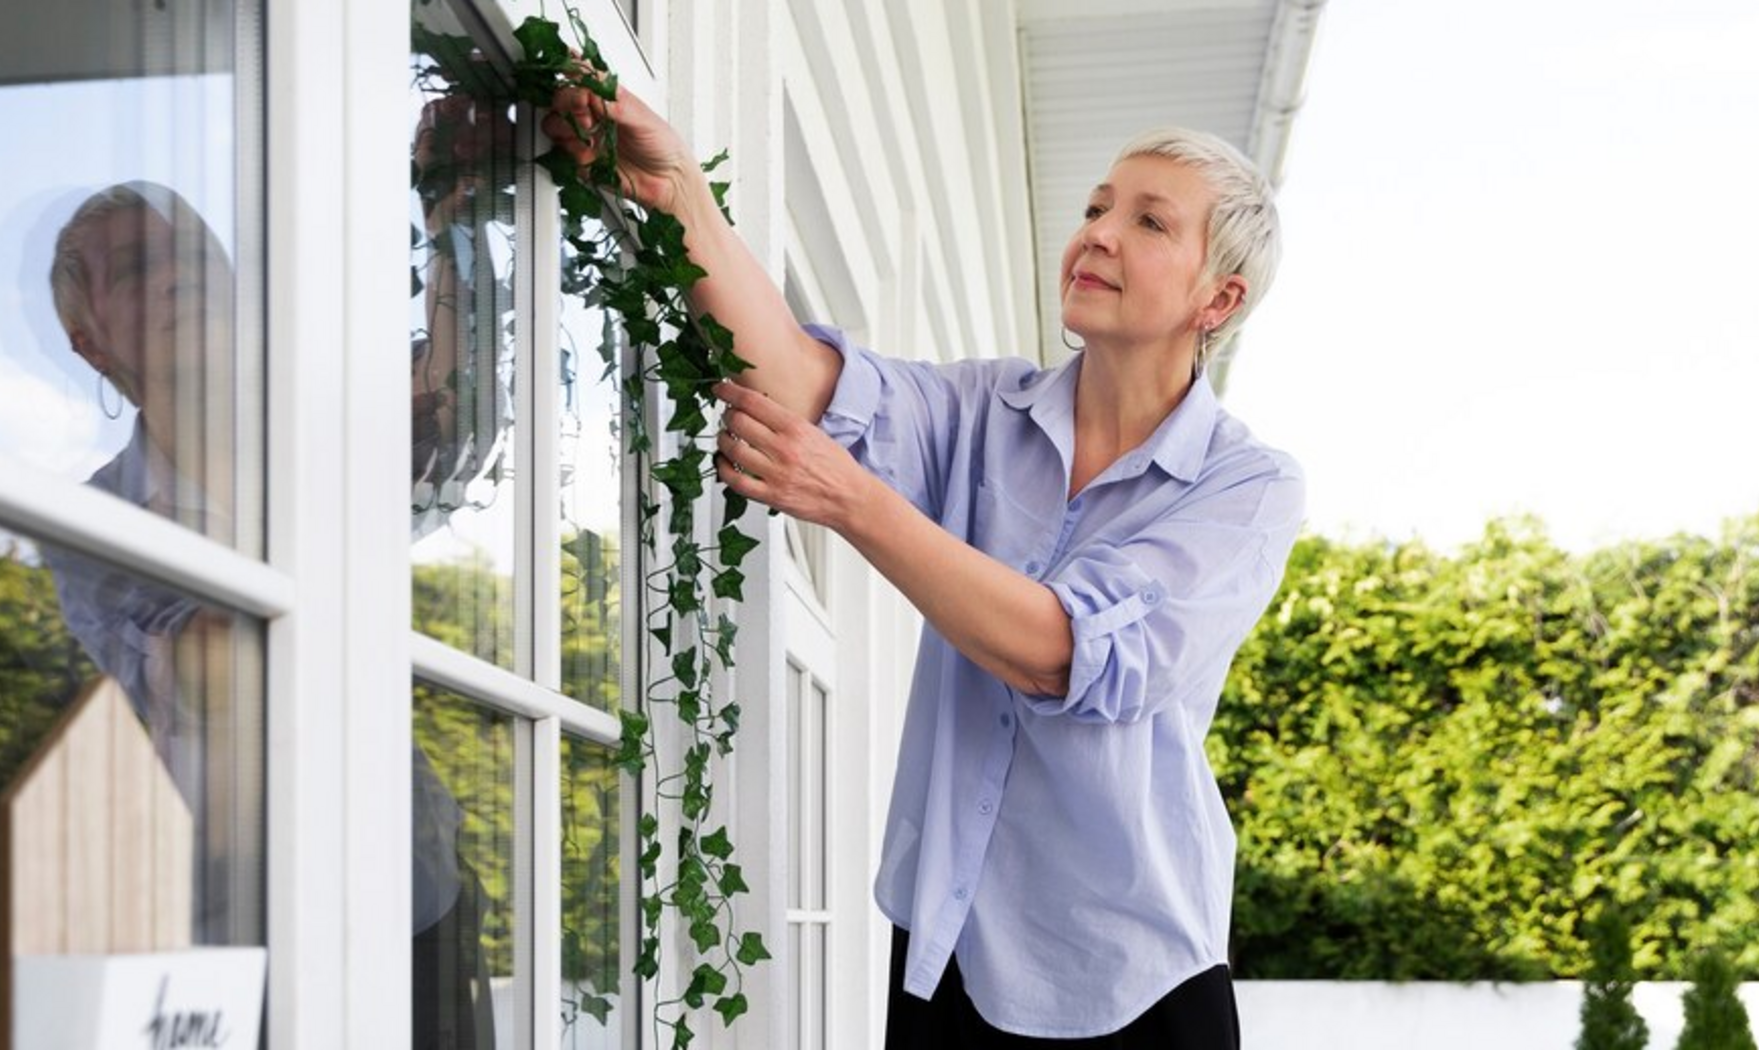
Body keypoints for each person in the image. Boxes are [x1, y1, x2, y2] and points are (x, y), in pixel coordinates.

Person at [544, 84, 1304, 1048]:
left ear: (1219, 298)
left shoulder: (1243, 487)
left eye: (1148, 221)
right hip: (944, 950)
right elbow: (799, 380)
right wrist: (680, 190)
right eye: (1096, 207)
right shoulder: (984, 409)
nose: (1100, 233)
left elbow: (1064, 656)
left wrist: (855, 502)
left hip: (1132, 981)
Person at [46, 182, 496, 1049]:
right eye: (140, 268)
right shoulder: (94, 526)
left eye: (196, 257)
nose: (180, 278)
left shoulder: (324, 444)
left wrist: (453, 228)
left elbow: (456, 415)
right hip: (226, 931)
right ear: (89, 343)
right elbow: (210, 673)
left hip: (412, 900)